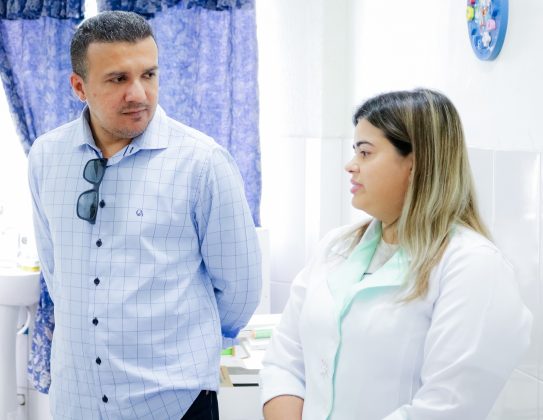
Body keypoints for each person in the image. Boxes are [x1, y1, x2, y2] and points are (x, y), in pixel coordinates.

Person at [28, 10, 261, 419]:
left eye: (149, 75)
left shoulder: (202, 163)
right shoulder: (47, 156)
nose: (138, 94)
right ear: (79, 87)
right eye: (118, 79)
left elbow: (239, 290)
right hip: (77, 401)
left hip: (174, 403)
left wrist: (178, 355)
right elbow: (56, 271)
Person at [260, 89, 532, 420]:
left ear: (416, 163)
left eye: (365, 153)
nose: (351, 166)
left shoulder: (474, 266)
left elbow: (446, 408)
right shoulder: (336, 247)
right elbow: (285, 361)